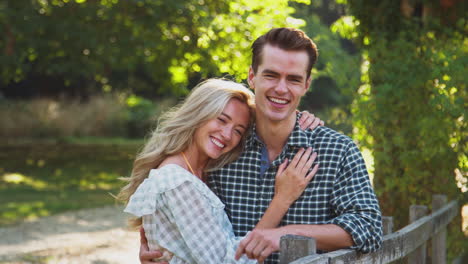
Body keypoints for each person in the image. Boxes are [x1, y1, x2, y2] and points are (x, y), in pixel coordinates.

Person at [140, 28, 383, 264]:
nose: (281, 88)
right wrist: (161, 248)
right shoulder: (224, 152)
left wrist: (287, 233)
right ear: (252, 76)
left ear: (306, 85)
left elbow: (369, 229)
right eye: (271, 75)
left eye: (294, 79)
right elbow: (195, 233)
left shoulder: (337, 151)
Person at [119, 79, 322, 263]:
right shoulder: (177, 181)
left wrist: (294, 118)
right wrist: (282, 199)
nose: (226, 135)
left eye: (238, 131)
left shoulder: (205, 172)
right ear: (199, 114)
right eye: (221, 120)